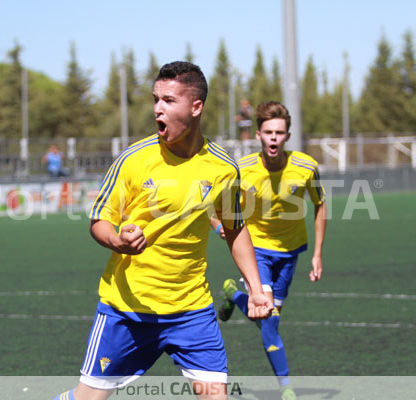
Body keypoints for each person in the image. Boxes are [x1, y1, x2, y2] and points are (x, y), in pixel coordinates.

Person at [52, 61, 272, 400]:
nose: (158, 109)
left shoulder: (223, 168)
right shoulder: (134, 159)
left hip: (191, 310)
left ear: (196, 106)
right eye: (156, 99)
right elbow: (99, 221)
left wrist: (256, 289)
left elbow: (235, 228)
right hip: (127, 308)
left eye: (169, 100)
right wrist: (117, 241)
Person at [211, 101, 327, 400]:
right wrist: (218, 226)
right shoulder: (244, 169)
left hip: (291, 252)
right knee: (270, 318)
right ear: (258, 135)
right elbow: (214, 204)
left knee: (266, 315)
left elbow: (320, 205)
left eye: (279, 132)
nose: (274, 137)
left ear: (287, 136)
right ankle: (286, 387)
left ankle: (233, 295)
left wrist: (317, 254)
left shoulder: (306, 167)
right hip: (255, 249)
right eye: (268, 132)